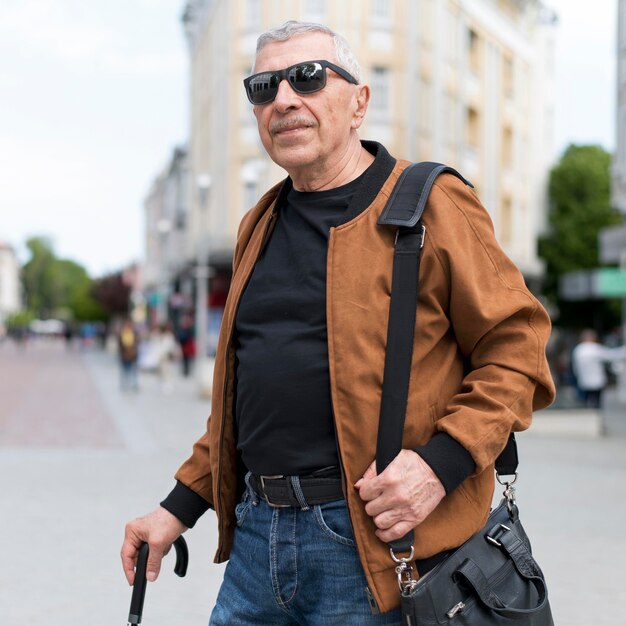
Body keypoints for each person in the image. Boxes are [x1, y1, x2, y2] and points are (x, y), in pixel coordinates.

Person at [121, 21, 555, 624]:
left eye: (307, 77)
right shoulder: (260, 222)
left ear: (359, 101)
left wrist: (441, 463)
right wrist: (177, 509)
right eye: (263, 87)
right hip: (255, 543)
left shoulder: (429, 203)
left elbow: (519, 348)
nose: (284, 99)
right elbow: (239, 410)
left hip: (375, 550)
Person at [571, 329, 626, 408]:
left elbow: (575, 367)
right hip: (596, 381)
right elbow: (611, 355)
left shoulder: (578, 349)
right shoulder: (594, 348)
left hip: (583, 380)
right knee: (596, 402)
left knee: (585, 401)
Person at [117, 319, 139, 392]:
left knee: (133, 370)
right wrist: (124, 350)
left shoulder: (134, 333)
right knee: (125, 370)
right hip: (124, 354)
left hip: (133, 355)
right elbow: (119, 344)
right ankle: (125, 384)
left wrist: (133, 350)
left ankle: (134, 384)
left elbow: (137, 343)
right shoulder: (121, 334)